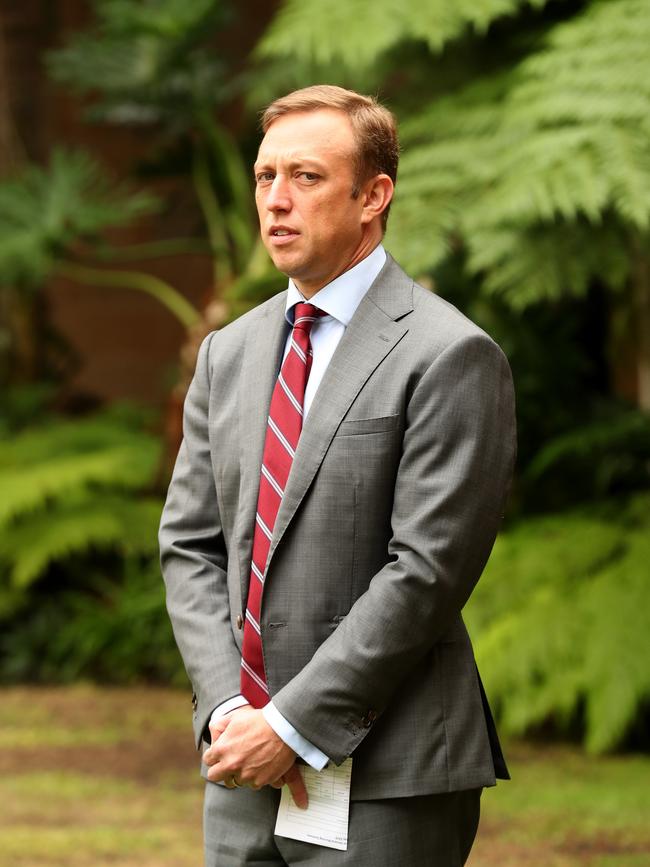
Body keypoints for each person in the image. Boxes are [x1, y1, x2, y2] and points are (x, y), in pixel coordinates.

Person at [159, 84, 516, 866]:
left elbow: (425, 571)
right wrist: (228, 709)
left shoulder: (449, 354)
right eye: (264, 177)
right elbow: (190, 544)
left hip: (390, 770)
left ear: (373, 195)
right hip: (239, 768)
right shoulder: (230, 353)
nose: (276, 201)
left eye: (307, 177)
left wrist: (290, 725)